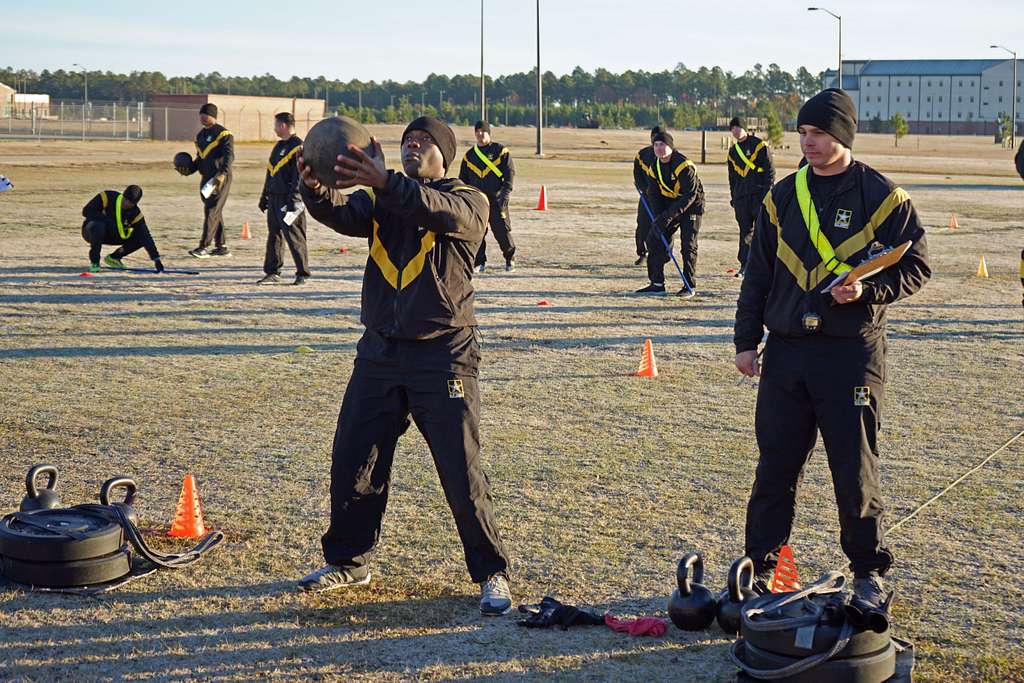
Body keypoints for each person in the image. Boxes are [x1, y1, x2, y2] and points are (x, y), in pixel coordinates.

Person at [295, 116, 513, 616]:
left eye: (423, 143)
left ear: (444, 155)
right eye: (407, 142)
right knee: (354, 458)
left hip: (444, 354)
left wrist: (385, 181)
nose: (412, 147)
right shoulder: (379, 199)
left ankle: (492, 571)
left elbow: (431, 207)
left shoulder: (468, 200)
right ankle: (349, 561)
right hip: (380, 352)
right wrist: (313, 189)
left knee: (460, 469)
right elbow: (339, 214)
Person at [734, 89, 931, 610]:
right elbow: (758, 274)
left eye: (817, 133)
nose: (808, 143)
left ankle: (867, 571)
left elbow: (917, 266)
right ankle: (762, 566)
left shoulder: (883, 196)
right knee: (775, 464)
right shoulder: (782, 196)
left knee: (853, 465)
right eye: (802, 134)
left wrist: (869, 290)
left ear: (842, 134)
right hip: (787, 352)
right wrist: (745, 341)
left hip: (850, 354)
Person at [636, 130, 705, 297]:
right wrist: (659, 218)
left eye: (663, 145)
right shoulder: (655, 167)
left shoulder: (683, 165)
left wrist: (667, 216)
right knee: (654, 238)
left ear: (671, 147)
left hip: (691, 206)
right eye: (656, 145)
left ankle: (689, 285)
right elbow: (654, 194)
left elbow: (690, 195)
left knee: (688, 245)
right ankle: (657, 283)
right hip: (670, 206)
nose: (659, 148)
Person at [257, 112, 310, 285]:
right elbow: (270, 172)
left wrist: (294, 200)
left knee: (294, 236)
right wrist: (264, 195)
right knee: (274, 235)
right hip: (274, 198)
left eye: (276, 125)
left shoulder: (299, 146)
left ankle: (302, 273)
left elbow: (299, 176)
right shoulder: (278, 146)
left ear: (283, 126)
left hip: (289, 199)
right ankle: (272, 271)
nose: (274, 128)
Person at [458, 120, 516, 272]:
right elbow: (463, 179)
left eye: (482, 132)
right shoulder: (469, 156)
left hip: (497, 199)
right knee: (477, 232)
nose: (480, 134)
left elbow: (510, 173)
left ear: (489, 133)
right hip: (478, 202)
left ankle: (510, 258)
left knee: (501, 231)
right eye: (477, 132)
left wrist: (505, 192)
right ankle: (479, 262)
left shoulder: (500, 151)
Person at [727, 116, 775, 276]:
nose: (735, 130)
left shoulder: (759, 145)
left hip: (759, 195)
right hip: (742, 198)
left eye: (738, 127)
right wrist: (734, 197)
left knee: (763, 231)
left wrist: (766, 195)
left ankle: (766, 265)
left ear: (745, 128)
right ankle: (745, 265)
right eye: (732, 128)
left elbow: (769, 171)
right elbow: (732, 177)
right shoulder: (733, 151)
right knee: (744, 232)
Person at [184, 103, 234, 259]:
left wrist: (222, 174)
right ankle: (221, 247)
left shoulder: (223, 134)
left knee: (211, 210)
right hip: (206, 177)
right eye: (201, 114)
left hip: (219, 178)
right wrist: (188, 169)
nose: (202, 117)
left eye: (206, 114)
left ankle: (203, 247)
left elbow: (229, 156)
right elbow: (200, 158)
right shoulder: (200, 135)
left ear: (213, 116)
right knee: (214, 210)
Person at [81, 185, 163, 273]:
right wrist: (107, 220)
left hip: (115, 234)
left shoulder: (135, 213)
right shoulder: (107, 196)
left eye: (131, 203)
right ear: (123, 195)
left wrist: (156, 259)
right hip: (91, 231)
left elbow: (146, 236)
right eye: (126, 199)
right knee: (99, 225)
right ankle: (95, 263)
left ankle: (114, 257)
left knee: (141, 237)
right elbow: (86, 211)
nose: (127, 203)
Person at [632, 125, 664, 266]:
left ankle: (661, 254)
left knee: (662, 226)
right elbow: (637, 175)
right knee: (642, 226)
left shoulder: (668, 156)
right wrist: (644, 190)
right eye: (653, 137)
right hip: (646, 198)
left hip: (663, 199)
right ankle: (642, 252)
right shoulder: (642, 155)